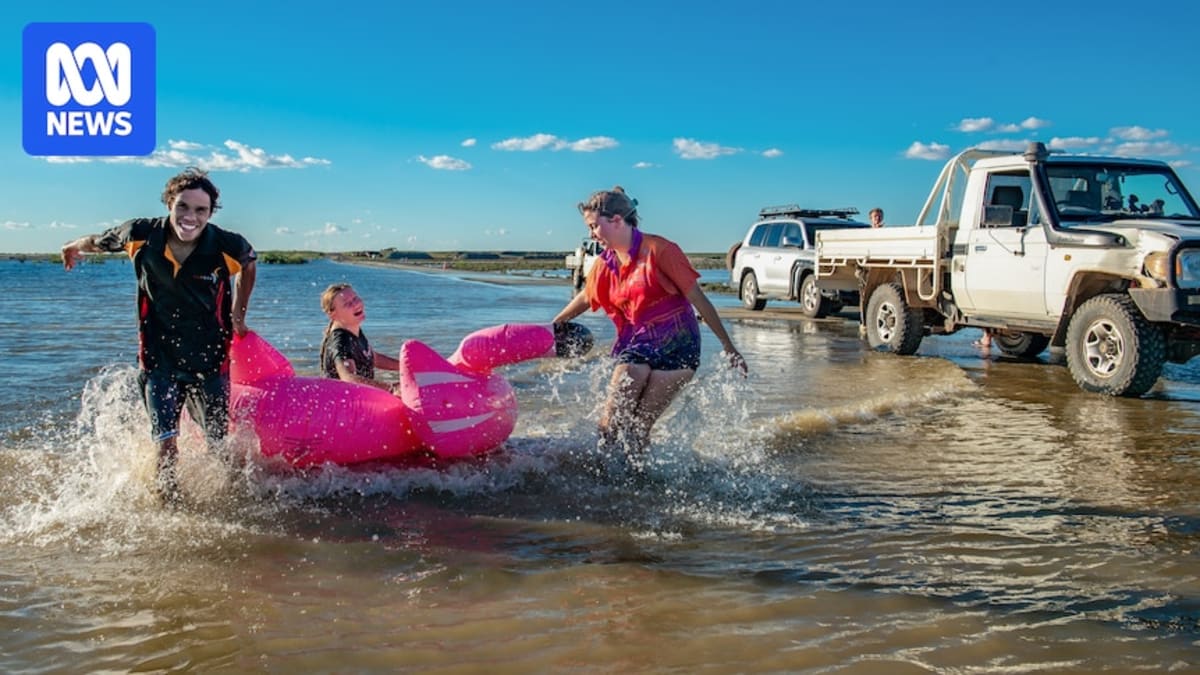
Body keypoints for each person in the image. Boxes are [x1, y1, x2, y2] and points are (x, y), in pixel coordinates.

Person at [60, 167, 257, 504]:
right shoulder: (139, 234)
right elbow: (98, 241)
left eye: (200, 210)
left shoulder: (227, 245)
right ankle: (168, 509)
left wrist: (239, 314)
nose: (190, 217)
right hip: (158, 357)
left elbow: (249, 265)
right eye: (182, 206)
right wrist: (72, 246)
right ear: (169, 203)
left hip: (210, 359)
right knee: (165, 442)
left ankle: (236, 502)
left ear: (210, 213)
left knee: (218, 443)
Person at [552, 186, 746, 463]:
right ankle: (602, 480)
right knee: (611, 424)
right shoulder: (605, 263)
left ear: (617, 220)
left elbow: (700, 300)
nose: (592, 234)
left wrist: (729, 347)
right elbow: (587, 296)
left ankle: (640, 484)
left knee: (638, 428)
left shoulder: (661, 250)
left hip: (679, 348)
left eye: (595, 226)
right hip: (638, 344)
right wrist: (555, 324)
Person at [319, 283, 401, 392]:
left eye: (355, 298)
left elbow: (373, 358)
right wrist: (392, 389)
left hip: (360, 399)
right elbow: (348, 378)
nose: (356, 304)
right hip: (346, 405)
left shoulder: (352, 329)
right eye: (347, 303)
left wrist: (406, 367)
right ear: (333, 314)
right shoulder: (340, 341)